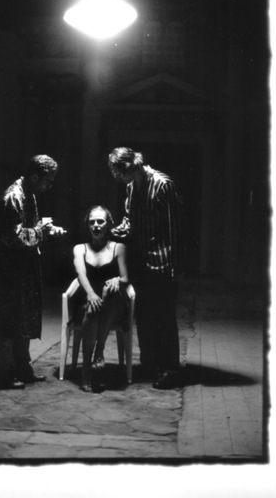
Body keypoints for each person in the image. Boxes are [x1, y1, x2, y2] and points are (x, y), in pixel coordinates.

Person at [108, 147, 183, 390]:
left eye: (119, 172)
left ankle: (170, 369)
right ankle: (151, 364)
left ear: (131, 166)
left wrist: (175, 268)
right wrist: (116, 230)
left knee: (164, 317)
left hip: (162, 264)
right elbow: (130, 221)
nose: (117, 178)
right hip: (140, 262)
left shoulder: (163, 185)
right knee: (144, 316)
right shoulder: (132, 186)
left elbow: (174, 229)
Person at [0, 154, 66, 389]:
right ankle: (3, 374)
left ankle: (22, 367)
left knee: (24, 319)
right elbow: (14, 237)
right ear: (35, 177)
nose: (49, 186)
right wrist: (41, 231)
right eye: (47, 181)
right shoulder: (13, 197)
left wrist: (45, 229)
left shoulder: (29, 193)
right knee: (9, 321)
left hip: (25, 268)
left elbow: (28, 229)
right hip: (11, 271)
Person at [71, 205, 134, 393]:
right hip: (87, 303)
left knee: (109, 290)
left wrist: (117, 280)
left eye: (100, 221)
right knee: (92, 310)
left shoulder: (118, 248)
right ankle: (89, 368)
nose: (96, 226)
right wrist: (91, 294)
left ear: (109, 225)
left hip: (114, 307)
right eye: (92, 222)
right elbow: (81, 274)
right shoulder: (80, 249)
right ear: (87, 225)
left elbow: (125, 277)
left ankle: (98, 352)